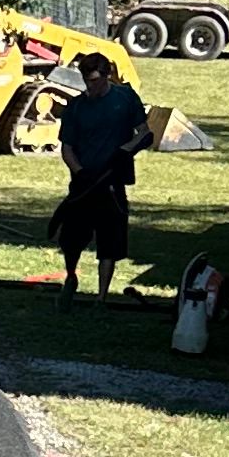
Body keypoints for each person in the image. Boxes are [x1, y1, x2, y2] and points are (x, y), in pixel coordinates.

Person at [48, 51, 148, 301]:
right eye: (86, 80)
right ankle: (71, 276)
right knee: (71, 238)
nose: (89, 85)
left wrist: (126, 150)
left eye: (94, 80)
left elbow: (145, 133)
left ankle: (101, 296)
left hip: (112, 183)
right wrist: (79, 172)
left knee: (110, 241)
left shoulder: (124, 99)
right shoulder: (76, 107)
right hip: (84, 183)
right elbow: (67, 147)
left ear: (107, 76)